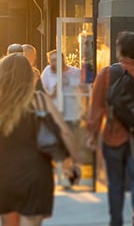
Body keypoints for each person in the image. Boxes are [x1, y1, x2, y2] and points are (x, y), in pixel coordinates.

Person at [0, 54, 80, 226]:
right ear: (29, 76)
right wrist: (74, 162)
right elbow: (65, 133)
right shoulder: (40, 100)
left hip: (5, 175)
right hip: (37, 174)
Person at [86, 31, 134, 226]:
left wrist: (92, 133)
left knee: (116, 182)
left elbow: (96, 107)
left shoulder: (107, 74)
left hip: (112, 134)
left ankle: (117, 221)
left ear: (119, 50)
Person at [40, 50, 85, 186]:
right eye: (51, 60)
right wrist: (54, 90)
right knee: (61, 146)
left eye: (56, 60)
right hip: (56, 115)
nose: (53, 63)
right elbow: (43, 93)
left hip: (73, 114)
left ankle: (71, 171)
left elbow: (86, 90)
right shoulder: (47, 72)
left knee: (71, 144)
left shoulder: (76, 72)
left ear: (63, 60)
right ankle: (68, 172)